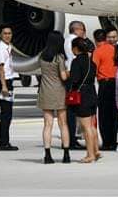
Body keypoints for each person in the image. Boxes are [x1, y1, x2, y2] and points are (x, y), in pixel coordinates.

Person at [37, 30, 70, 164]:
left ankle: (47, 154)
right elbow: (62, 76)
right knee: (63, 124)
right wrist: (69, 73)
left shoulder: (42, 56)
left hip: (45, 91)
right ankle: (66, 154)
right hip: (59, 92)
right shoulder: (59, 57)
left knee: (47, 125)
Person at [68, 37, 99, 163]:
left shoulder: (76, 62)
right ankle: (96, 150)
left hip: (83, 95)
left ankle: (90, 154)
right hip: (92, 92)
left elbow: (74, 79)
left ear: (76, 48)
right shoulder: (92, 62)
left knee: (86, 127)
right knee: (92, 126)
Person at [92, 27, 118, 151]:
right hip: (116, 83)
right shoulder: (115, 49)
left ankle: (107, 142)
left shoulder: (98, 51)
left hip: (104, 83)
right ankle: (114, 141)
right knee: (114, 114)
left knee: (104, 115)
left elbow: (94, 69)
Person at [0, 25, 18, 151]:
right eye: (5, 33)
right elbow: (0, 68)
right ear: (0, 35)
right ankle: (3, 143)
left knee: (7, 114)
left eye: (9, 33)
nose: (8, 35)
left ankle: (5, 141)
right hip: (4, 83)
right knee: (6, 114)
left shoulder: (7, 47)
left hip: (8, 82)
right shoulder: (1, 49)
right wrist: (4, 86)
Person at [63, 20, 87, 149]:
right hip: (74, 77)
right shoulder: (75, 42)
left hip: (68, 76)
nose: (83, 33)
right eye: (83, 30)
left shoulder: (66, 40)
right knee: (73, 110)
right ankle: (71, 140)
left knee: (70, 110)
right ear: (77, 30)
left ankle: (69, 138)